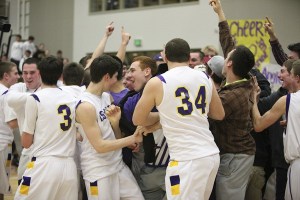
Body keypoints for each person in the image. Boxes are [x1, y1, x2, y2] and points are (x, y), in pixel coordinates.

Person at [133, 38, 225, 200]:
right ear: (188, 57)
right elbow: (218, 114)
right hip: (210, 155)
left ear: (165, 57)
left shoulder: (158, 82)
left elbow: (138, 119)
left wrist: (164, 116)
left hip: (186, 159)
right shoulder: (204, 77)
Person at [75, 54, 144, 200]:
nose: (118, 81)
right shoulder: (85, 106)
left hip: (117, 165)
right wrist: (132, 138)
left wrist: (115, 124)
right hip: (98, 171)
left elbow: (115, 137)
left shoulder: (107, 97)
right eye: (116, 77)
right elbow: (99, 145)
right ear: (107, 77)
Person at [209, 1, 258, 200]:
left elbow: (211, 113)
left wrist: (206, 82)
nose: (225, 54)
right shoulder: (243, 78)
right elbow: (229, 43)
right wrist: (220, 13)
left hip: (235, 157)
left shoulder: (232, 96)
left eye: (226, 56)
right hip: (236, 154)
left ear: (229, 64)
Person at [14, 56, 78, 200]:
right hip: (69, 166)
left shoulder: (35, 98)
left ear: (40, 74)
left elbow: (26, 143)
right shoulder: (72, 98)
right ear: (60, 75)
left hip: (44, 164)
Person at [252, 59, 300, 200]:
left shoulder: (288, 99)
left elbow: (259, 125)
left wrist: (254, 100)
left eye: (289, 73)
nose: (281, 76)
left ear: (297, 77)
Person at [7, 58, 42, 185]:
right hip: (27, 149)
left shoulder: (50, 87)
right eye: (25, 72)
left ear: (40, 72)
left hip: (45, 151)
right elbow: (10, 99)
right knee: (23, 190)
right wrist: (41, 97)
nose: (28, 76)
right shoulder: (18, 87)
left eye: (32, 72)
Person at [0, 61, 20, 200]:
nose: (18, 77)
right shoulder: (6, 94)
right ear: (6, 76)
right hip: (2, 145)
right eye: (16, 73)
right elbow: (12, 123)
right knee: (1, 187)